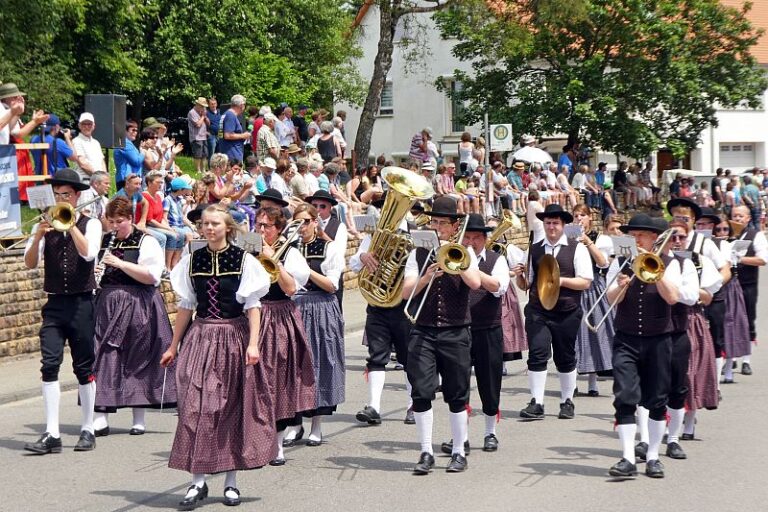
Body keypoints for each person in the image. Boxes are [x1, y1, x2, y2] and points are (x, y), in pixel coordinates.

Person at [162, 205, 274, 508]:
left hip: (233, 337)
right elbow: (186, 306)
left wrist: (253, 344)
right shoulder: (192, 260)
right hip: (200, 337)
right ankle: (197, 482)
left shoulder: (243, 260)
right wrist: (172, 346)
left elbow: (253, 306)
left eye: (214, 223)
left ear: (227, 227)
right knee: (194, 408)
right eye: (205, 224)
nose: (209, 228)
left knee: (229, 409)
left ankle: (230, 482)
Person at [23, 168, 103, 454]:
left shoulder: (91, 224)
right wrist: (38, 237)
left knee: (83, 367)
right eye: (56, 194)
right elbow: (30, 264)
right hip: (55, 304)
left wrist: (70, 226)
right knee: (49, 364)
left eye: (66, 194)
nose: (61, 199)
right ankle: (52, 433)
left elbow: (89, 254)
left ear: (77, 196)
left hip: (82, 302)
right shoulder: (43, 225)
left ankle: (87, 428)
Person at [402, 196, 482, 474]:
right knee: (421, 392)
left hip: (456, 330)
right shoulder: (418, 253)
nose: (436, 227)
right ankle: (426, 452)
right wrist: (427, 277)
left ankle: (459, 451)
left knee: (457, 394)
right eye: (433, 222)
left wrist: (456, 262)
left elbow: (475, 283)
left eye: (442, 223)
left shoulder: (464, 252)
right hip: (423, 330)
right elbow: (405, 293)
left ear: (454, 226)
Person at [91, 196, 176, 437]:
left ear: (130, 218)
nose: (115, 226)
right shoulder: (105, 241)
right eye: (111, 221)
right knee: (104, 355)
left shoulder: (146, 241)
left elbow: (152, 276)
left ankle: (139, 418)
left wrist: (120, 263)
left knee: (139, 357)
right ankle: (100, 417)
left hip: (139, 302)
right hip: (108, 303)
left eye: (120, 221)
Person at [605, 214, 682, 479]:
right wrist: (620, 286)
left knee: (657, 400)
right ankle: (627, 457)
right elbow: (610, 300)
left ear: (653, 239)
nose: (636, 240)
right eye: (633, 235)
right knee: (625, 396)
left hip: (658, 339)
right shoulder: (620, 262)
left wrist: (656, 272)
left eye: (641, 235)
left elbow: (672, 298)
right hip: (626, 339)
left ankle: (653, 456)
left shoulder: (670, 263)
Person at [514, 204, 593, 420]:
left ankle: (567, 401)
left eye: (555, 223)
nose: (551, 227)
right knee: (537, 353)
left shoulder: (577, 248)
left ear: (563, 225)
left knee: (565, 356)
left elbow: (585, 282)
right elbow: (526, 285)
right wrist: (520, 276)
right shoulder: (534, 249)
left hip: (566, 311)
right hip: (538, 310)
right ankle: (537, 402)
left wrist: (559, 281)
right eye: (548, 223)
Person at [441, 214, 510, 454]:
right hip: (459, 329)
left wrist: (469, 268)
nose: (471, 242)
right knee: (458, 384)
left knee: (489, 382)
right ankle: (461, 437)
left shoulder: (496, 260)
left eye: (476, 238)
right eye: (467, 238)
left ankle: (490, 432)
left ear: (485, 239)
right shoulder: (451, 257)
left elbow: (498, 287)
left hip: (488, 328)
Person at [252, 207, 315, 464]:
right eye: (258, 225)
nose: (261, 230)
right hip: (252, 315)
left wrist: (274, 260)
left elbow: (290, 289)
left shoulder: (291, 253)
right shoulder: (247, 250)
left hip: (278, 316)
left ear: (278, 229)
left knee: (277, 380)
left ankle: (277, 445)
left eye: (266, 226)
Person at [349, 207, 415, 426]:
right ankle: (374, 406)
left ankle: (413, 404)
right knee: (376, 355)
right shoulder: (375, 234)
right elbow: (354, 264)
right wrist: (363, 256)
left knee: (408, 357)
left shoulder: (415, 232)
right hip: (378, 303)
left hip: (404, 306)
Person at [291, 205, 346, 445]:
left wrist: (306, 272)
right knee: (294, 366)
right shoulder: (290, 248)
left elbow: (332, 285)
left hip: (321, 306)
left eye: (305, 222)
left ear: (315, 222)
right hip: (294, 306)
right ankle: (295, 423)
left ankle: (316, 424)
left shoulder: (328, 248)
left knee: (319, 363)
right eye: (297, 222)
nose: (301, 227)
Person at [572, 204, 614, 397]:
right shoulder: (568, 236)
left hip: (593, 285)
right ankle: (571, 381)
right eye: (576, 215)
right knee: (573, 335)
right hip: (573, 284)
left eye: (583, 215)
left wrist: (588, 241)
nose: (579, 218)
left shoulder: (601, 239)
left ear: (590, 217)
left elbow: (602, 263)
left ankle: (592, 381)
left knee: (594, 333)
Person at [730, 205, 768, 372]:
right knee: (729, 320)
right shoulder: (726, 234)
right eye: (735, 215)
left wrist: (740, 259)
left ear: (748, 218)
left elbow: (763, 260)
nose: (737, 219)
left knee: (748, 320)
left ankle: (746, 359)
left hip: (747, 284)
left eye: (741, 216)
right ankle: (731, 358)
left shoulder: (756, 235)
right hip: (729, 285)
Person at [72, 112, 107, 183]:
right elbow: (82, 163)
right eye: (84, 124)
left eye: (89, 124)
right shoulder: (76, 141)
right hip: (85, 181)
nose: (86, 127)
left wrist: (104, 177)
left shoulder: (96, 143)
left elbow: (102, 162)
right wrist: (98, 178)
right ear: (79, 126)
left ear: (93, 126)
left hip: (99, 182)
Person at [114, 120, 146, 191]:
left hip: (131, 180)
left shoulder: (128, 143)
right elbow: (136, 161)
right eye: (133, 130)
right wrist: (143, 152)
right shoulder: (125, 143)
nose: (135, 133)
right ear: (124, 131)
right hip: (126, 180)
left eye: (136, 131)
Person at [219, 94, 250, 162]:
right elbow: (227, 135)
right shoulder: (230, 115)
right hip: (232, 153)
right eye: (244, 105)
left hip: (226, 150)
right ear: (241, 105)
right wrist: (243, 135)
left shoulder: (225, 114)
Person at [187, 97, 210, 173]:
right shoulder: (192, 112)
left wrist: (205, 117)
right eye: (202, 106)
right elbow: (198, 124)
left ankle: (203, 170)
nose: (203, 108)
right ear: (197, 104)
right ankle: (198, 170)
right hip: (196, 137)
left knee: (205, 154)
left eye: (204, 106)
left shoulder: (202, 112)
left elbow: (208, 123)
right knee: (198, 154)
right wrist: (203, 116)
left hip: (203, 136)